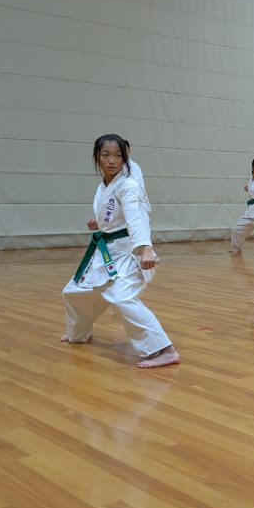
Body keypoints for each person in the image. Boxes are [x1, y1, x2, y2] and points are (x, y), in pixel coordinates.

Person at [60, 134, 179, 368]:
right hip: (107, 251)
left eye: (117, 155)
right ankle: (79, 333)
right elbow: (115, 216)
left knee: (122, 297)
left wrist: (146, 248)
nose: (112, 160)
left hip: (129, 252)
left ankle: (165, 350)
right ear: (97, 157)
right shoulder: (104, 186)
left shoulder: (129, 186)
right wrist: (99, 224)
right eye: (105, 155)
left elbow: (136, 219)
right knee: (73, 291)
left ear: (125, 158)